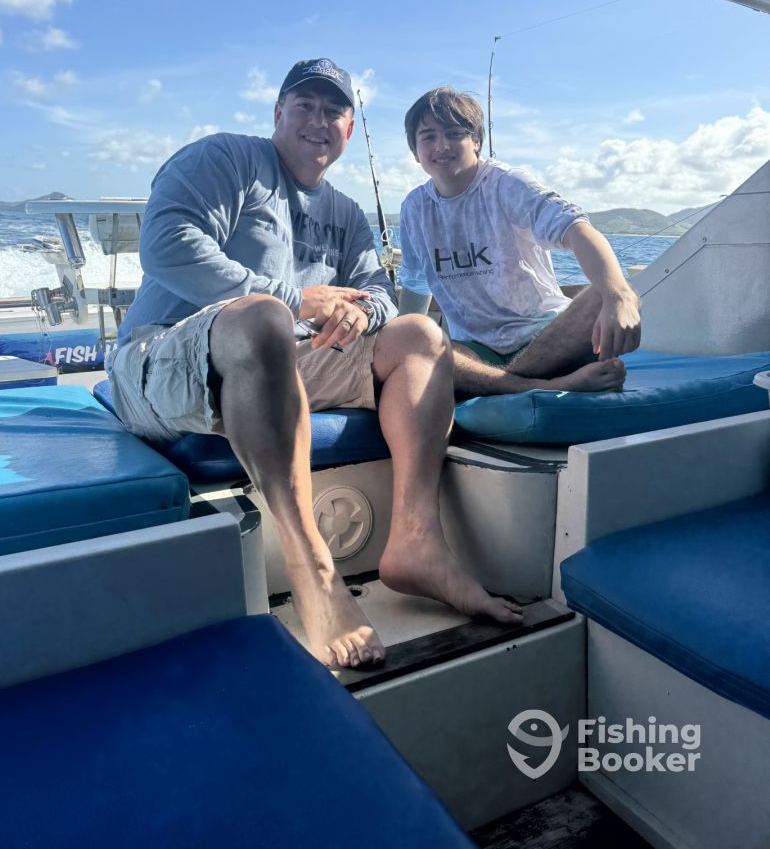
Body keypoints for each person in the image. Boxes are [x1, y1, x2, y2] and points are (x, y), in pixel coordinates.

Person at [109, 60, 523, 670]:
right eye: (304, 105)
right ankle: (313, 571)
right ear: (278, 112)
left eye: (334, 111)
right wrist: (295, 299)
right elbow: (167, 245)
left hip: (283, 359)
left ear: (349, 130)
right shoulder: (226, 159)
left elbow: (379, 292)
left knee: (419, 334)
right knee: (264, 316)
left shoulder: (346, 212)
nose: (318, 120)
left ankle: (418, 544)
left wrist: (363, 314)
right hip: (162, 358)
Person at [398, 87, 641, 396]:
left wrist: (619, 296)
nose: (442, 145)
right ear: (415, 151)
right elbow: (416, 283)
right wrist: (401, 344)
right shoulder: (414, 208)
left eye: (454, 133)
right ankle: (546, 386)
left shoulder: (507, 184)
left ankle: (498, 385)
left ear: (476, 141)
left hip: (545, 337)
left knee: (602, 296)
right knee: (412, 343)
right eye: (428, 136)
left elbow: (576, 228)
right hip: (476, 351)